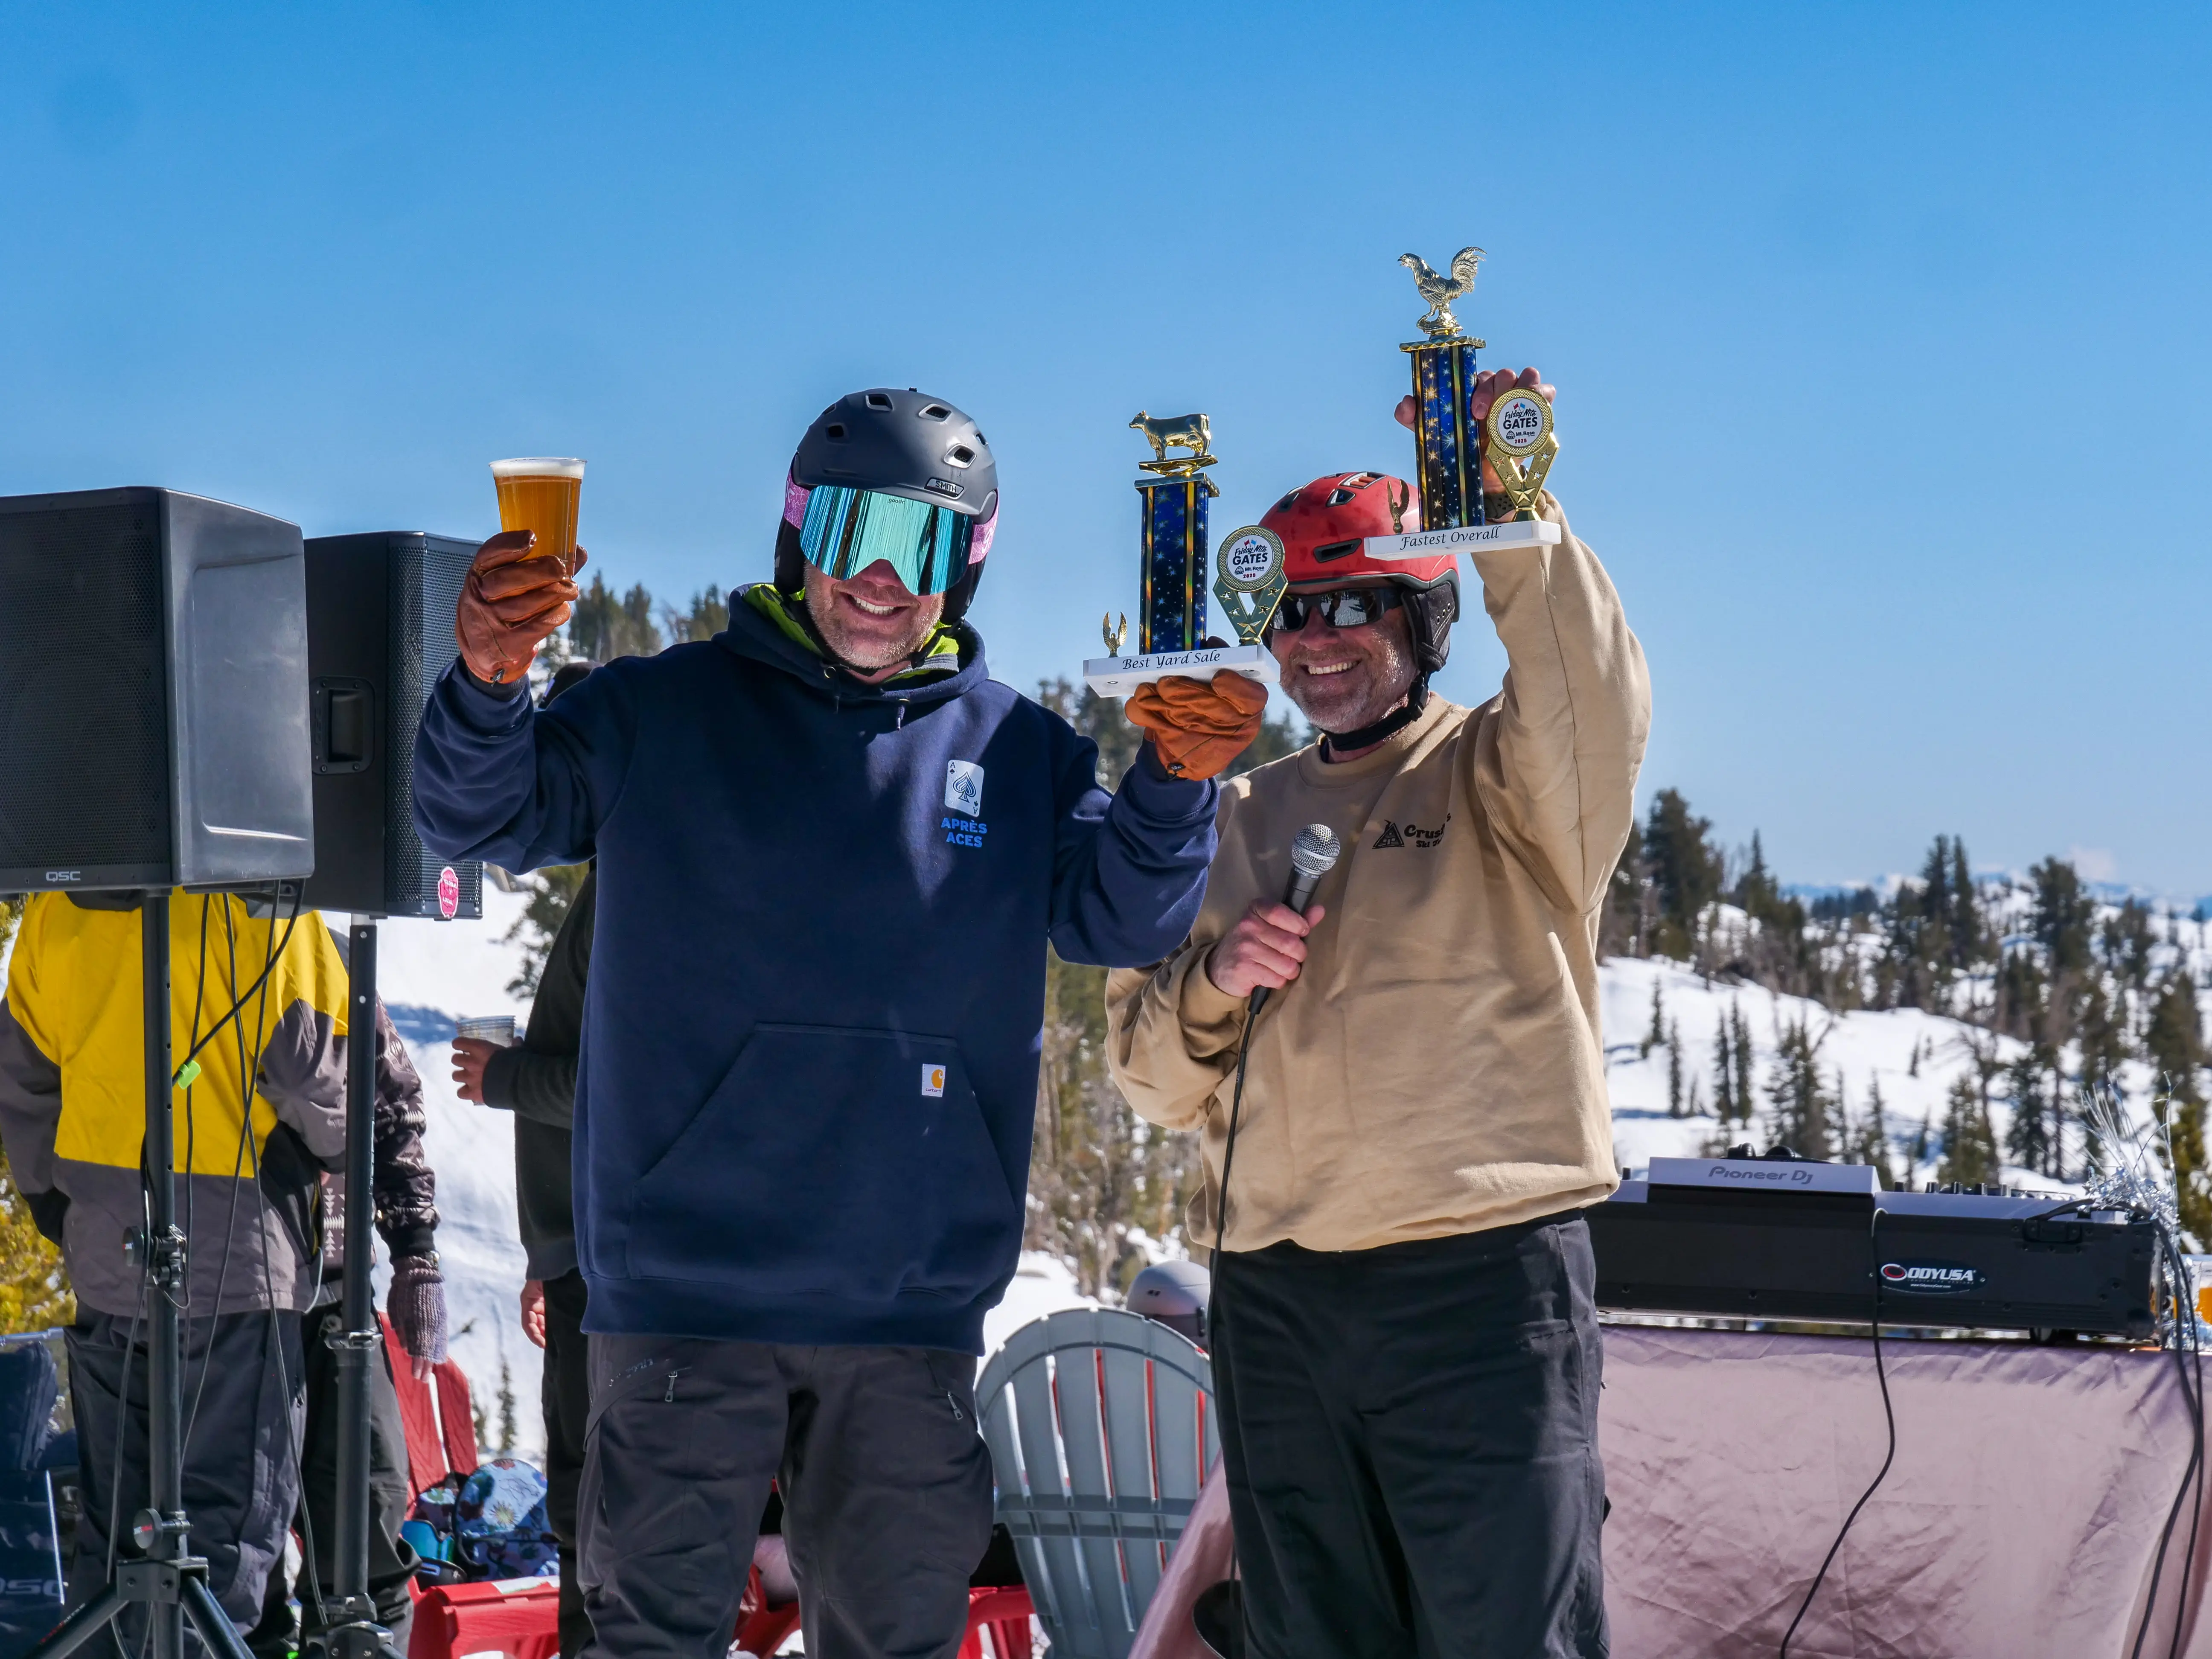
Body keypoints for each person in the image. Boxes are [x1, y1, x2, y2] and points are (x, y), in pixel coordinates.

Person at [410, 388, 1264, 1659]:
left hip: (906, 1312)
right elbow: (479, 818)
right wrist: (488, 680)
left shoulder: (1019, 752)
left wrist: (1177, 787)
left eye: (922, 545)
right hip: (685, 1299)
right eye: (856, 528)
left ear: (963, 571)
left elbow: (1119, 919)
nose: (878, 576)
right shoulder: (661, 710)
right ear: (800, 531)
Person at [1106, 371, 1650, 1658]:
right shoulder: (1230, 818)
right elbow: (1145, 1081)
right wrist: (1218, 981)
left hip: (1480, 1286)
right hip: (1281, 1306)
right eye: (1295, 612)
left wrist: (1512, 507)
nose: (1321, 639)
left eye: (1356, 603)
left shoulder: (1504, 780)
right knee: (1313, 1639)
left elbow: (1587, 695)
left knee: (1509, 1635)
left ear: (1424, 617)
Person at [0, 891, 448, 1640]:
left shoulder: (55, 906)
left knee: (120, 1548)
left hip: (115, 1268)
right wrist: (352, 1178)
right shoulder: (265, 900)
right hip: (244, 1270)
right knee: (224, 1549)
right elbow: (333, 1090)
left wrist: (71, 1210)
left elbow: (24, 1082)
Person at [451, 655, 598, 1658]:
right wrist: (550, 1254)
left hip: (621, 1270)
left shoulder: (645, 886)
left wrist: (504, 1079)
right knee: (583, 1502)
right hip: (586, 1258)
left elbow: (634, 1094)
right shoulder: (616, 879)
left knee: (600, 1513)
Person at [250, 952, 446, 1658]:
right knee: (241, 1558)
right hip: (226, 1300)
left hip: (334, 1292)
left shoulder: (322, 951)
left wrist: (416, 1251)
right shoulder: (169, 944)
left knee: (366, 1538)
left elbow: (392, 1107)